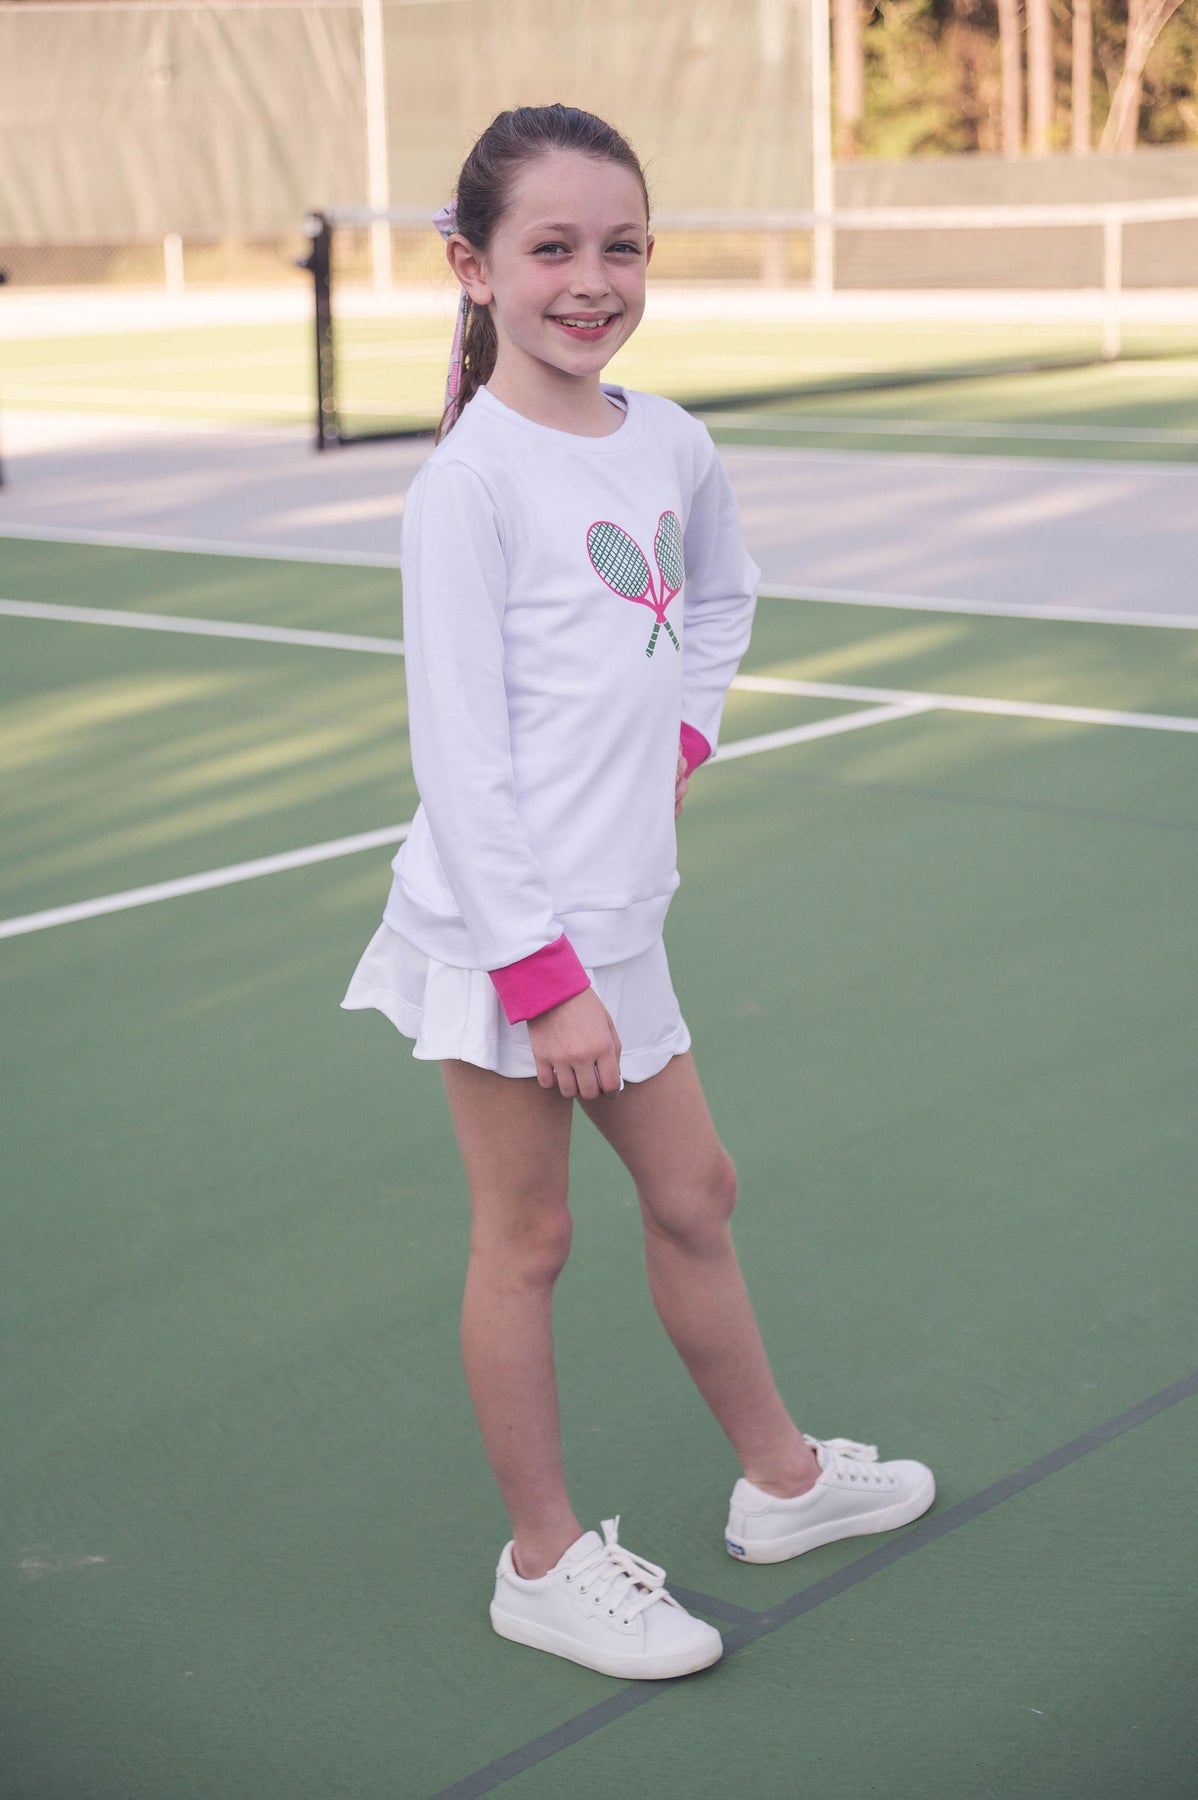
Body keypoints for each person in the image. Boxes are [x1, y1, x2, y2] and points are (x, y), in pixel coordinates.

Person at [342, 103, 935, 1682]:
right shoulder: (467, 486)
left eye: (620, 246)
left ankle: (781, 1483)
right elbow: (461, 763)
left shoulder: (666, 438)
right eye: (549, 248)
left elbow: (720, 598)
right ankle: (542, 1564)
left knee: (692, 1197)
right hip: (507, 939)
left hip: (617, 921)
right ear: (473, 269)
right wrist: (542, 982)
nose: (589, 279)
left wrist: (682, 734)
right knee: (527, 1238)